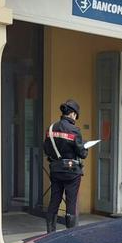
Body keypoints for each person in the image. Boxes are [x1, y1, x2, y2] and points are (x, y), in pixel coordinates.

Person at [43, 99, 88, 232]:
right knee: (71, 203)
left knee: (54, 201)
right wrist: (85, 147)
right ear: (73, 114)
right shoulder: (74, 130)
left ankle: (50, 232)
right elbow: (82, 153)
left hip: (56, 170)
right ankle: (70, 234)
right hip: (72, 172)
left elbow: (46, 149)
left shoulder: (51, 129)